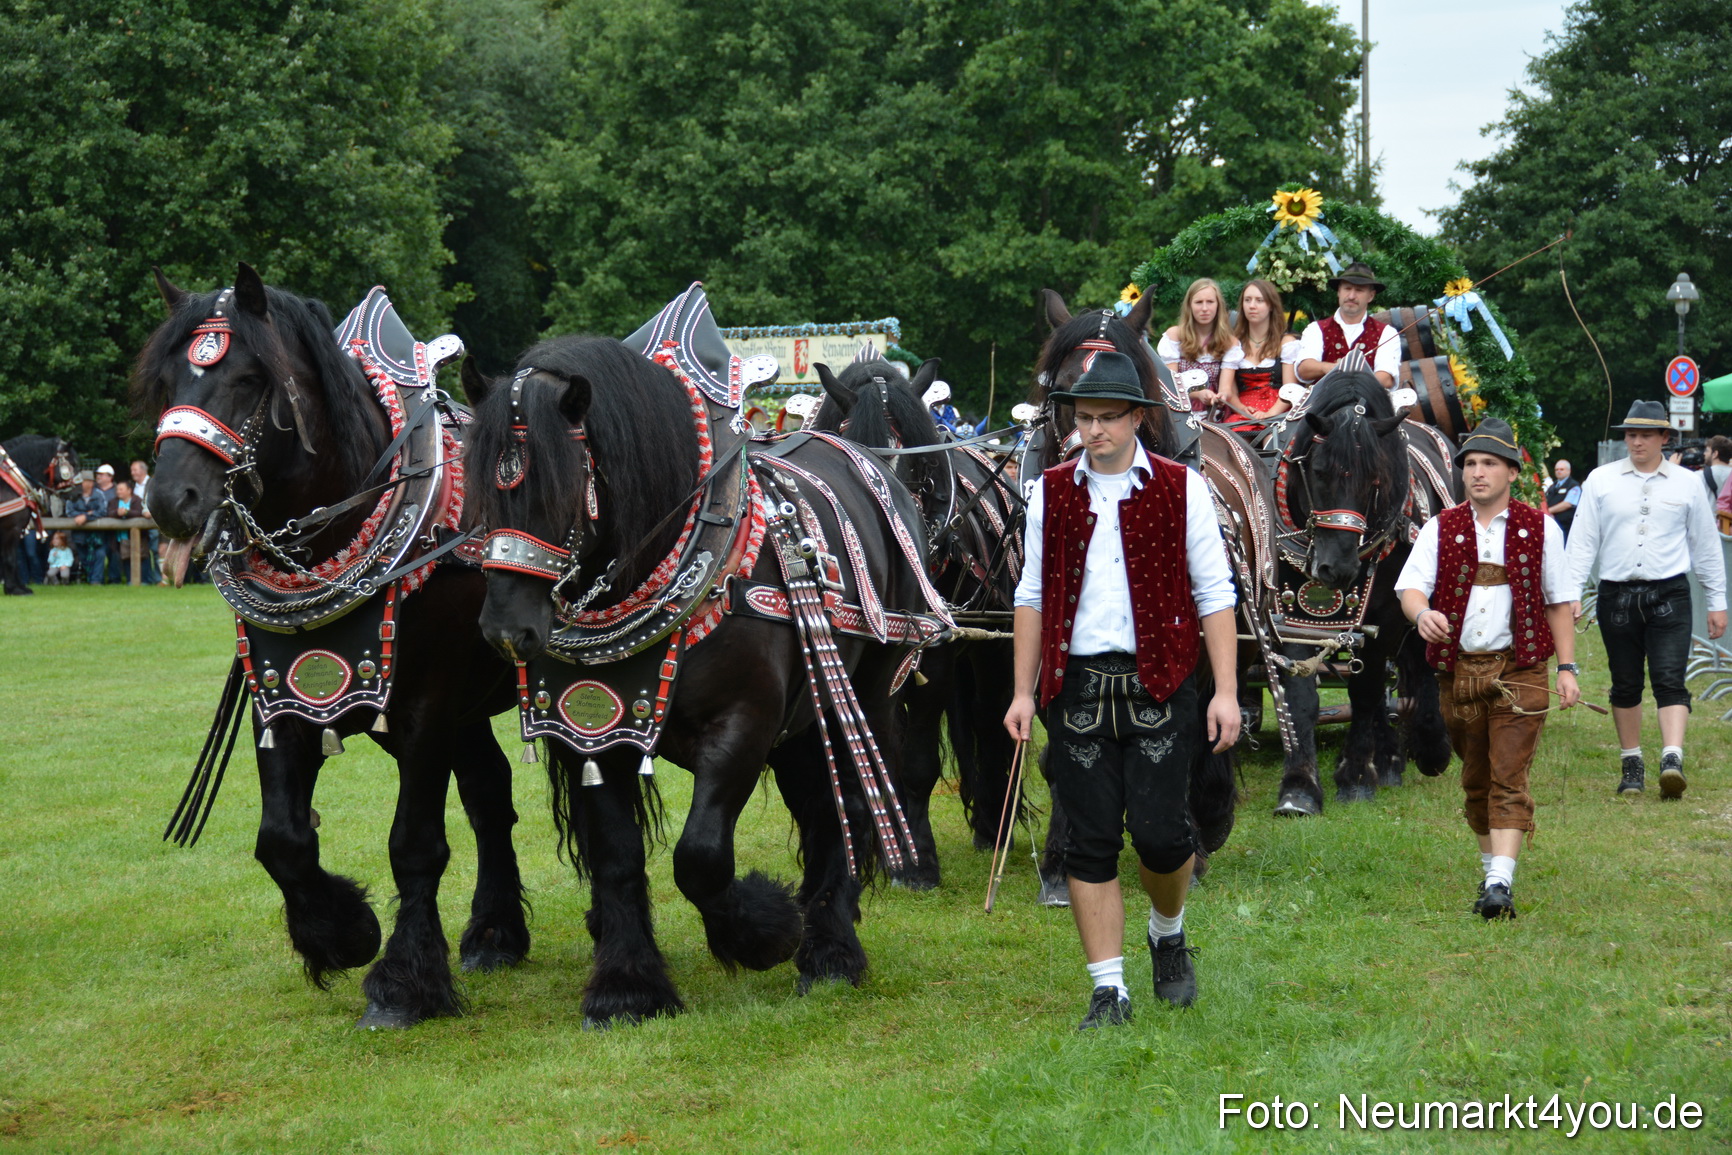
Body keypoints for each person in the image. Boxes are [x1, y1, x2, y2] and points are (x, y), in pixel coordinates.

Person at [1002, 349, 1240, 1029]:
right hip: (1074, 685)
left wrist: (1224, 690)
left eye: (1108, 416)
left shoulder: (1179, 486)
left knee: (1166, 839)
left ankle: (1168, 931)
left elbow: (1214, 591)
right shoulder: (1050, 489)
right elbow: (1031, 594)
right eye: (1084, 417)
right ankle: (1109, 990)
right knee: (1090, 840)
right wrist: (1022, 693)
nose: (1095, 429)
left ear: (1138, 416)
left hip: (1160, 680)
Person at [1396, 419, 1578, 920]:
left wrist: (1567, 667)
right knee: (1476, 778)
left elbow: (1559, 602)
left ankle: (1501, 881)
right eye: (1471, 464)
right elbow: (1411, 587)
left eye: (1489, 464)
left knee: (1508, 775)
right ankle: (1491, 868)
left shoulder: (1541, 527)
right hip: (1458, 675)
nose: (1477, 473)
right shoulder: (1441, 527)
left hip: (1521, 670)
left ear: (1512, 473)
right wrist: (1422, 612)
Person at [1564, 401, 1726, 799]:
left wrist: (1717, 599)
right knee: (1625, 682)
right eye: (1631, 434)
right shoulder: (1601, 480)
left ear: (1664, 438)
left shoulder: (1687, 483)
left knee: (1670, 678)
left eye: (1646, 435)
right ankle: (1631, 761)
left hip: (1669, 593)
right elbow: (1583, 541)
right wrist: (1570, 593)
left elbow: (1705, 546)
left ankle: (1672, 757)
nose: (1636, 441)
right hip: (1616, 594)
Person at [1294, 261, 1399, 388]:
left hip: (1367, 404)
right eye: (1347, 289)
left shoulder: (1387, 333)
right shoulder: (1316, 329)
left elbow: (1385, 378)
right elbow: (1304, 369)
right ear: (1339, 292)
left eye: (1359, 290)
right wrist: (1334, 368)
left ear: (1370, 296)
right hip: (1324, 405)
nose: (1351, 296)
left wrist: (1351, 379)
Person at [1216, 279, 1299, 433]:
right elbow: (1230, 390)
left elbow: (1290, 389)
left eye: (1259, 300)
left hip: (1278, 411)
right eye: (1247, 300)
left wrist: (1270, 414)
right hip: (1244, 412)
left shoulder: (1286, 343)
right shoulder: (1234, 344)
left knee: (1274, 445)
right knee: (1234, 447)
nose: (1252, 306)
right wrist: (1242, 409)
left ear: (1271, 306)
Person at [1157, 278, 1239, 413]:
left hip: (1213, 412)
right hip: (1179, 409)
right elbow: (1171, 385)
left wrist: (1221, 396)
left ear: (1218, 305)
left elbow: (1226, 388)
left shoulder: (1229, 342)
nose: (1205, 308)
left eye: (1210, 302)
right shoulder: (1175, 336)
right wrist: (1198, 394)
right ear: (1189, 306)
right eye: (1199, 302)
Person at [64, 474, 110, 584]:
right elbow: (69, 511)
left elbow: (103, 511)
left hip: (97, 535)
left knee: (99, 555)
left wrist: (86, 517)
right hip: (79, 534)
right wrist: (86, 514)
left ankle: (96, 581)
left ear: (91, 483)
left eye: (84, 481)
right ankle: (90, 578)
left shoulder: (99, 495)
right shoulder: (73, 495)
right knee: (83, 557)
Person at [92, 463, 122, 583]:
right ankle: (96, 579)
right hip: (96, 528)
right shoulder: (93, 490)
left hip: (114, 528)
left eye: (102, 475)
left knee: (114, 553)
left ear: (110, 477)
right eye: (98, 474)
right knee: (98, 553)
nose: (98, 477)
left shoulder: (117, 490)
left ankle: (114, 579)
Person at [1544, 459, 1582, 540]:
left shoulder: (1573, 486)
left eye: (1561, 469)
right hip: (1552, 524)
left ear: (1569, 471)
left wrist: (1548, 511)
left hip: (1566, 526)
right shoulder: (1553, 486)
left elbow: (1567, 504)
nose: (1558, 471)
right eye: (1556, 470)